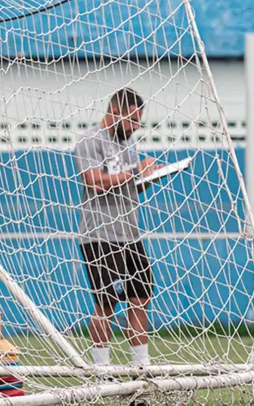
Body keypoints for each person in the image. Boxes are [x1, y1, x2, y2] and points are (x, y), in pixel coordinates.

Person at [74, 89, 162, 390]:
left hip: (130, 233)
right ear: (116, 112)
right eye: (133, 120)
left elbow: (128, 187)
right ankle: (102, 369)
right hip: (99, 235)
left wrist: (148, 178)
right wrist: (135, 171)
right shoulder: (90, 141)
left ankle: (140, 364)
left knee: (141, 296)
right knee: (107, 302)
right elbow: (94, 182)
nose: (137, 126)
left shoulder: (128, 143)